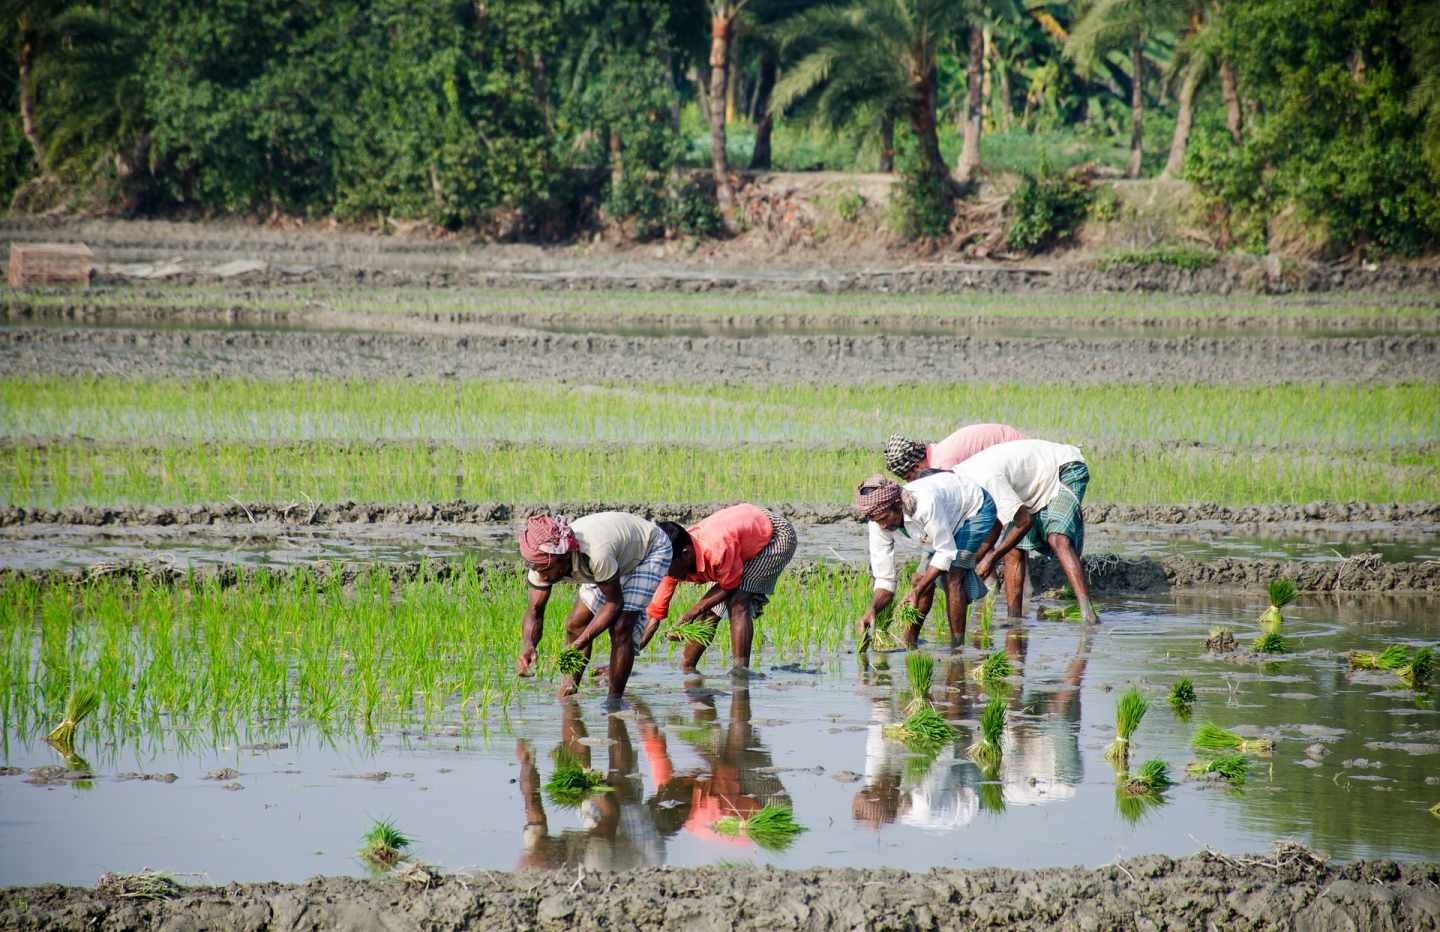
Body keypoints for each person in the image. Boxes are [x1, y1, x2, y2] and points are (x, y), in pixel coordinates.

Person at [515, 512, 673, 702]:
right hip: (614, 556)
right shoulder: (542, 564)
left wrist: (578, 644)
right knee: (575, 624)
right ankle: (568, 692)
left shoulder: (595, 555)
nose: (542, 576)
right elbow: (535, 611)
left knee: (622, 626)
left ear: (563, 557)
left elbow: (614, 604)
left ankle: (614, 701)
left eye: (546, 570)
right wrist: (529, 645)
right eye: (538, 570)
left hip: (649, 550)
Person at [643, 504, 797, 676]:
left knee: (738, 600)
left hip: (774, 535)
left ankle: (741, 672)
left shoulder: (717, 550)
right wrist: (627, 655)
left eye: (667, 567)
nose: (664, 572)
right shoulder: (669, 560)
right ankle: (687, 669)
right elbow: (653, 618)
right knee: (709, 612)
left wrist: (689, 614)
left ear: (686, 554)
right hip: (741, 536)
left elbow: (729, 586)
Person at [956, 438, 1098, 623]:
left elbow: (1023, 521)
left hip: (1063, 468)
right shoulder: (964, 483)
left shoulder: (985, 479)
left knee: (1058, 538)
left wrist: (991, 559)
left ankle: (1088, 613)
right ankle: (1014, 619)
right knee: (1013, 550)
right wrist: (970, 562)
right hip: (1031, 487)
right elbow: (994, 526)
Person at [852, 470, 996, 648]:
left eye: (884, 518)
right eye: (877, 521)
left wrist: (918, 589)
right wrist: (872, 610)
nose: (883, 525)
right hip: (941, 524)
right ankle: (909, 643)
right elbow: (885, 580)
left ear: (897, 505)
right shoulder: (878, 525)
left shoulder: (925, 505)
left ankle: (957, 648)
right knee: (921, 580)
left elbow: (945, 551)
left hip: (974, 509)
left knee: (953, 575)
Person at [882, 423, 1026, 482]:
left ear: (916, 466)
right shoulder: (938, 451)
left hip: (1016, 452)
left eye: (909, 477)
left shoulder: (943, 464)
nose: (910, 482)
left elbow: (961, 496)